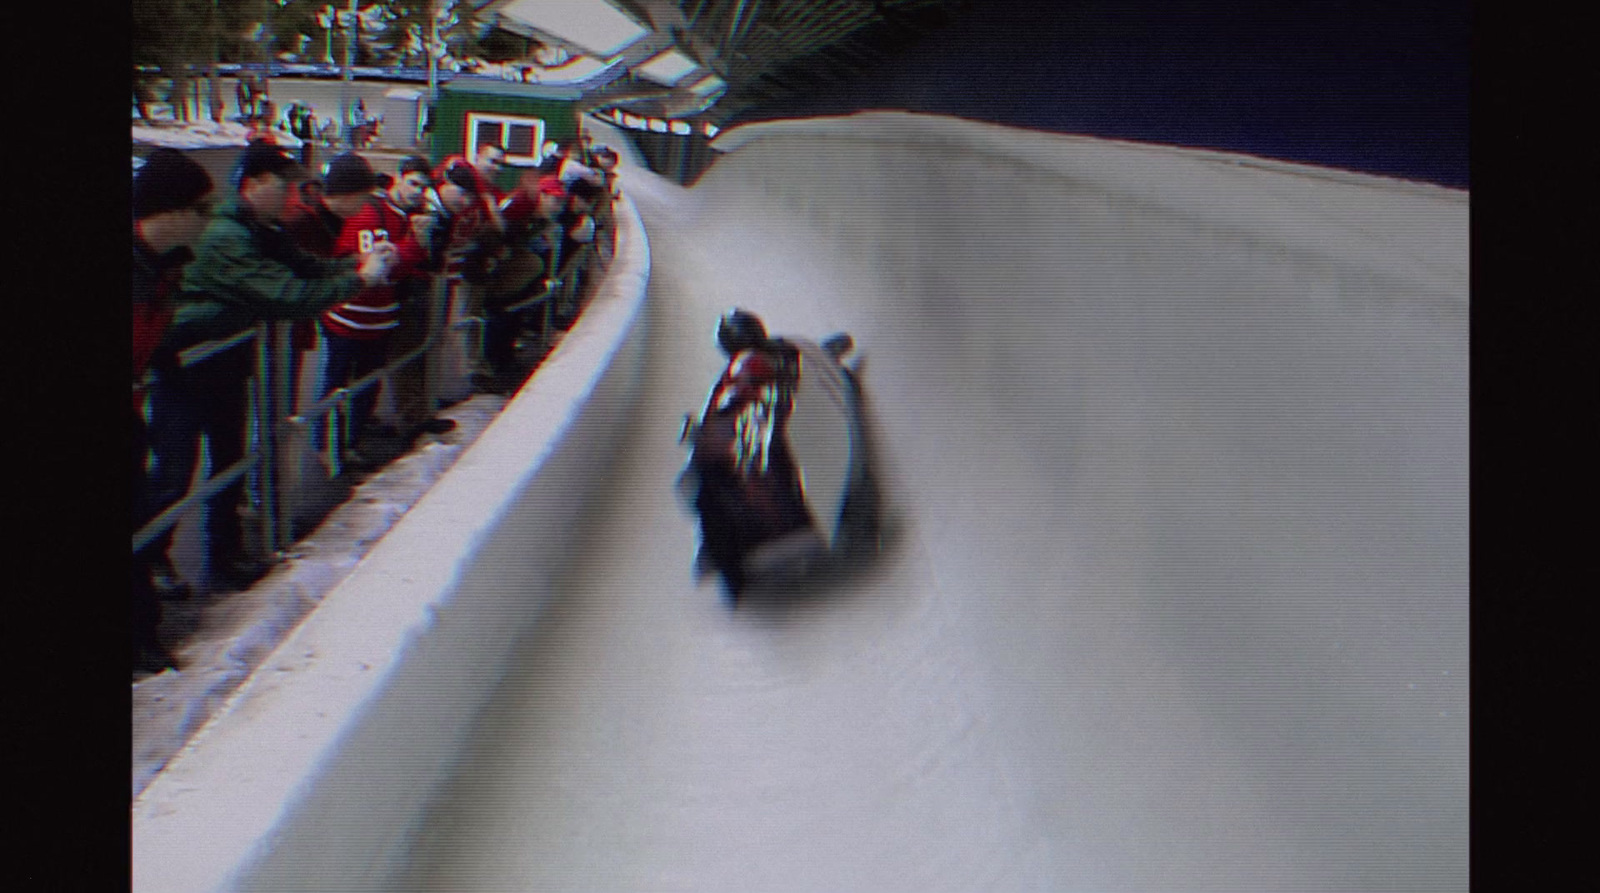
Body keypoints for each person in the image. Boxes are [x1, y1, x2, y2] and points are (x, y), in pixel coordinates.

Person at [169, 142, 397, 592]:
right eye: (283, 184)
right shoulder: (230, 236)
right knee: (174, 470)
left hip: (225, 360)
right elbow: (286, 294)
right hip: (189, 363)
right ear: (253, 185)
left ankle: (225, 553)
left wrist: (357, 263)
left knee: (229, 459)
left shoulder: (258, 227)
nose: (292, 193)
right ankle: (154, 564)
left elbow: (305, 267)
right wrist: (360, 280)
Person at [132, 149, 215, 673]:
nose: (209, 220)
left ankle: (142, 634)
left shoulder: (164, 268)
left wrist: (167, 363)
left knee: (140, 517)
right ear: (172, 212)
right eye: (202, 209)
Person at [686, 309, 811, 598]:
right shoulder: (731, 377)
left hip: (778, 419)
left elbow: (804, 371)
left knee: (766, 461)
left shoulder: (783, 353)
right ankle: (730, 544)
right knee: (729, 476)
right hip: (752, 427)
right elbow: (720, 411)